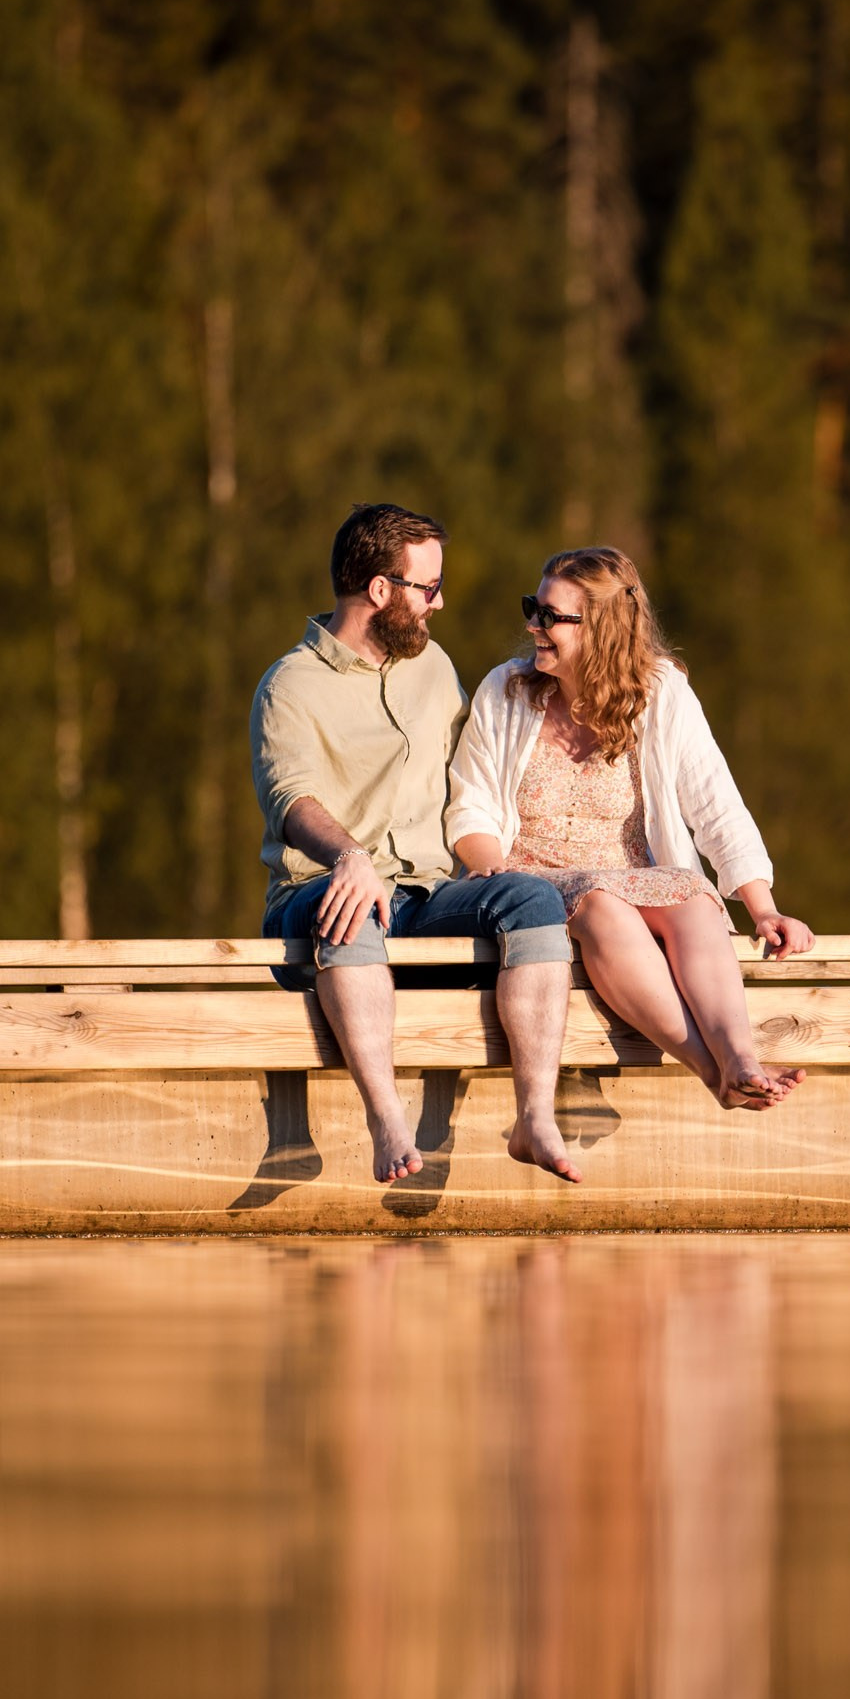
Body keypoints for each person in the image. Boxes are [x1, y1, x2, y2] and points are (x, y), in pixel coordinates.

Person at [250, 503, 584, 1186]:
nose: (439, 602)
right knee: (351, 906)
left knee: (531, 899)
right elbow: (292, 799)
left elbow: (494, 752)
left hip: (432, 896)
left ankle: (535, 1118)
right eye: (427, 588)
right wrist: (349, 858)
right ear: (380, 591)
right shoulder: (288, 686)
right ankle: (386, 1119)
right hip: (316, 898)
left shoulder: (434, 667)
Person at [446, 546, 815, 1109]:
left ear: (604, 630)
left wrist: (763, 909)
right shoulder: (507, 690)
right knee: (599, 903)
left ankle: (740, 1055)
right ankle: (709, 1068)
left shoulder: (661, 692)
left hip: (633, 878)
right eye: (533, 607)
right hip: (530, 883)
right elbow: (469, 806)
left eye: (550, 616)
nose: (532, 626)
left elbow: (716, 804)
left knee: (693, 894)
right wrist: (488, 867)